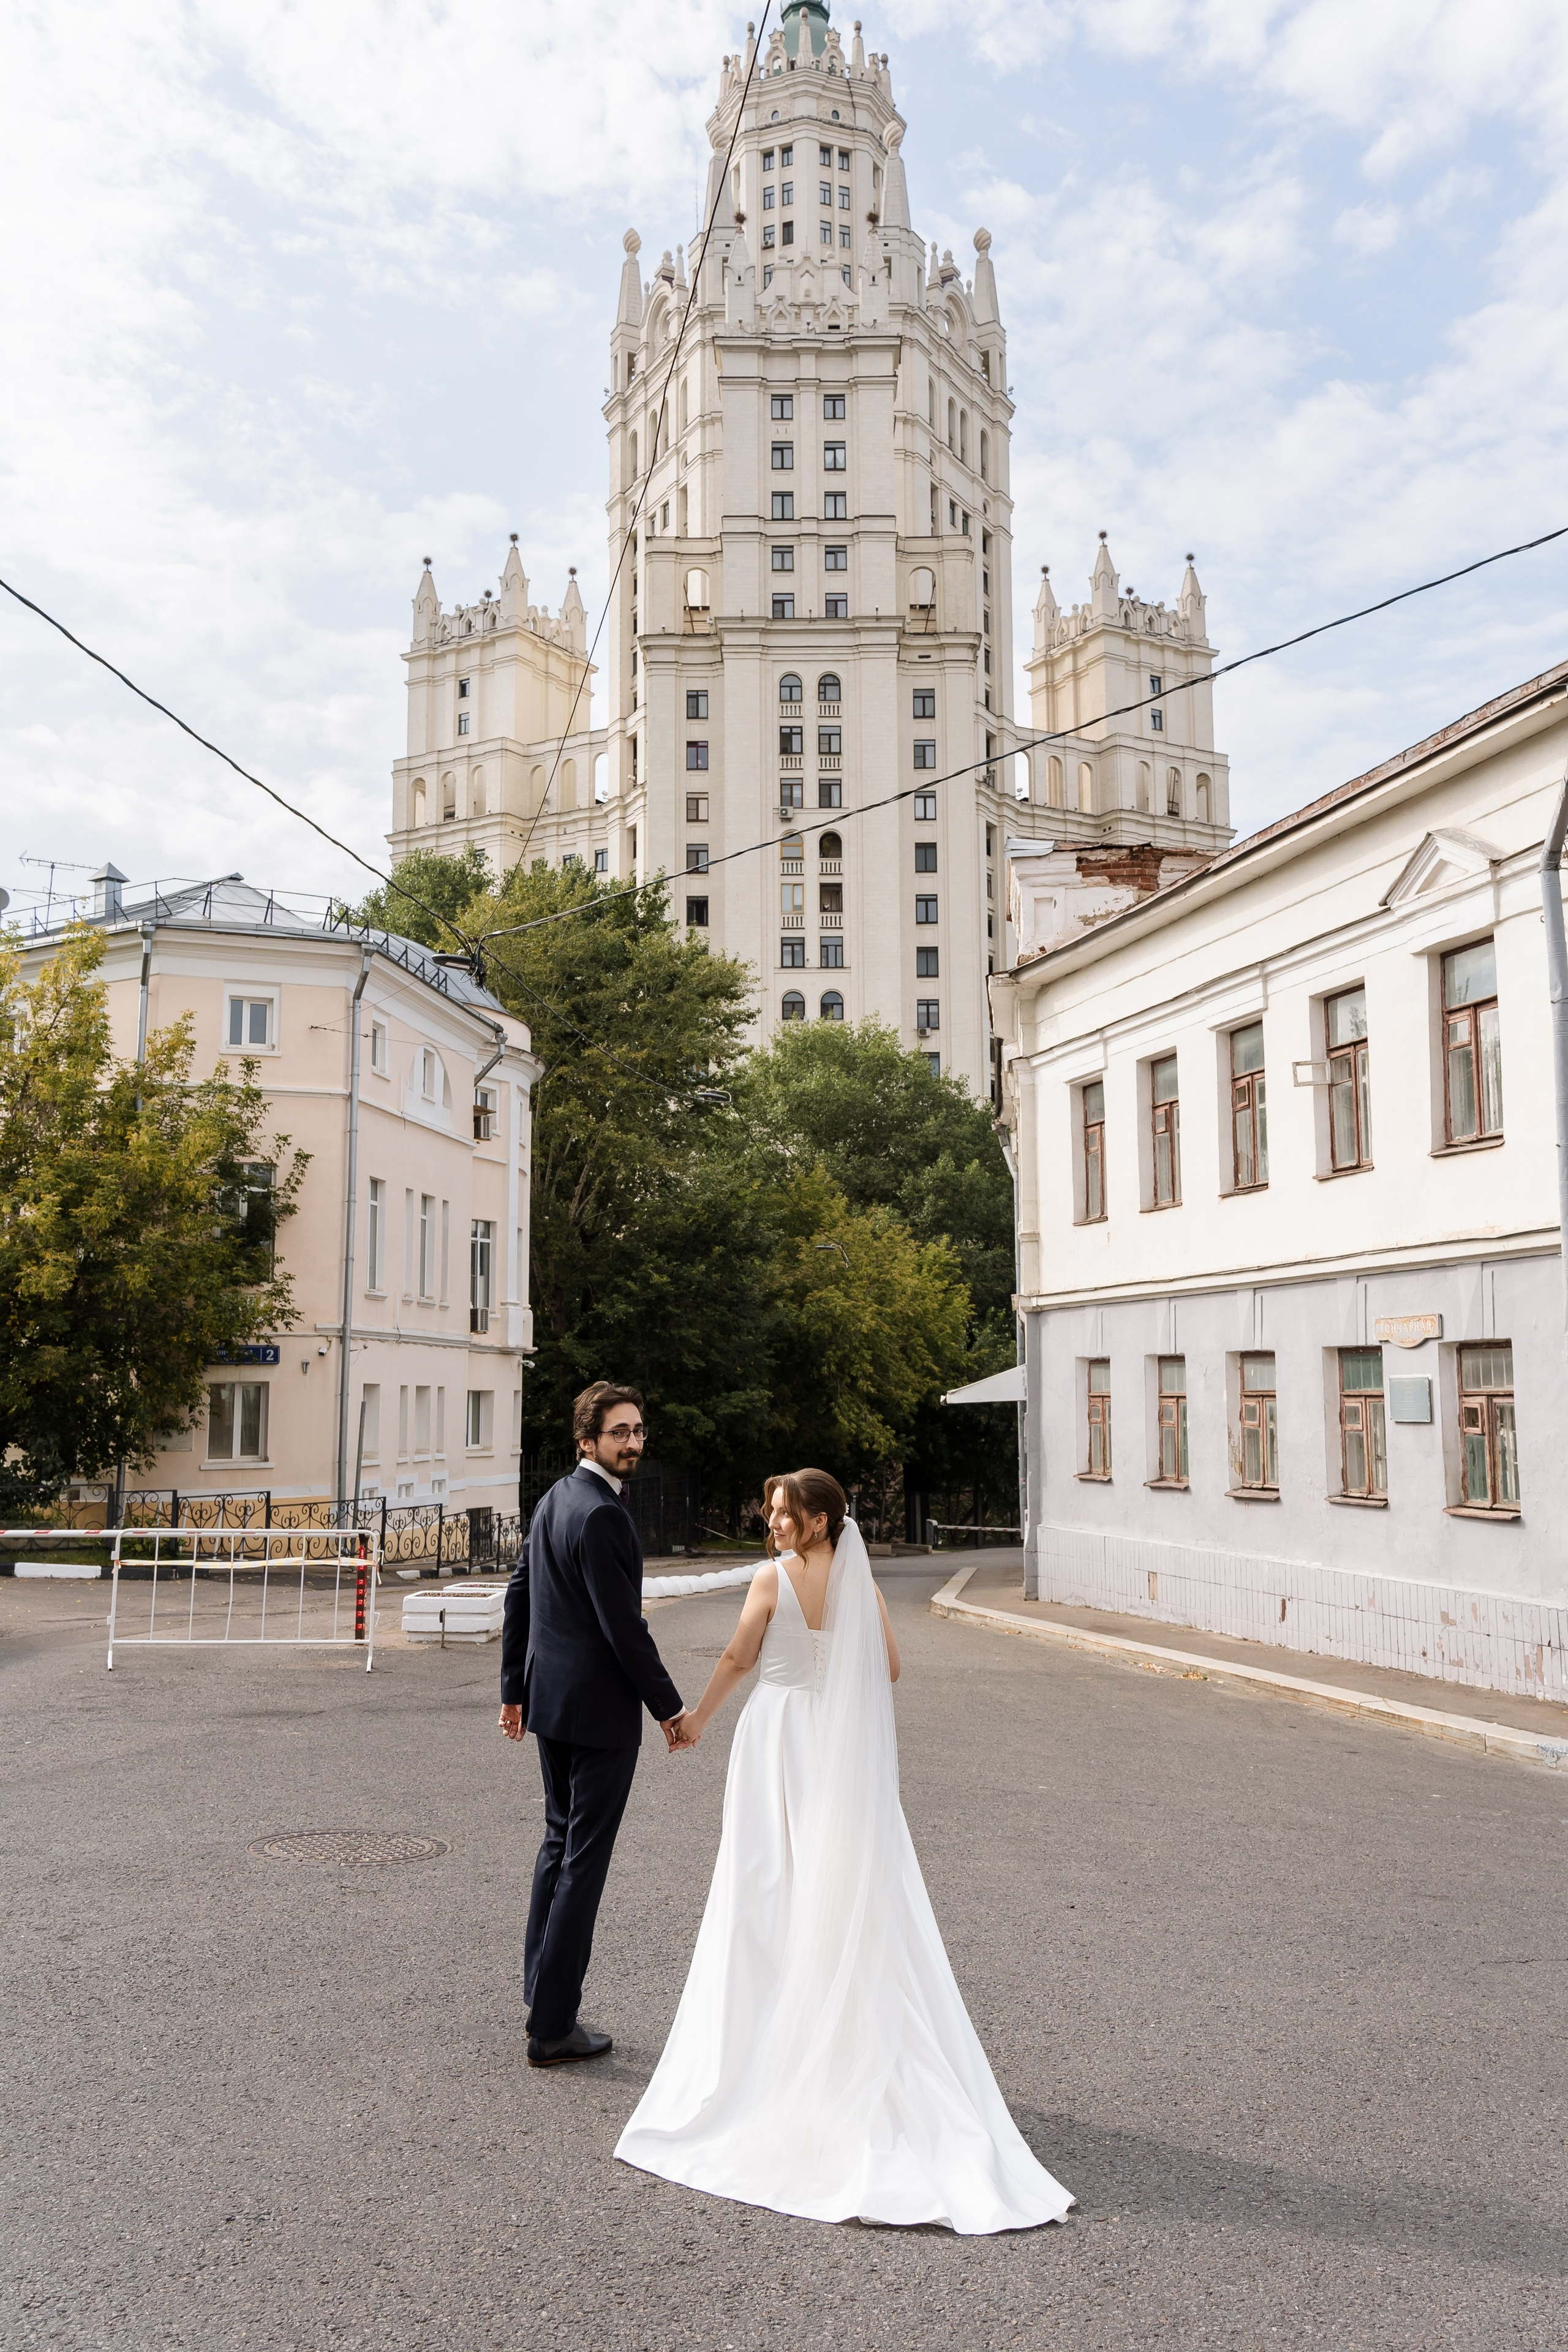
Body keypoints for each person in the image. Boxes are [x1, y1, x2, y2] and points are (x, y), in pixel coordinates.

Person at [615, 1468, 1074, 2234]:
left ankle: (768, 2051)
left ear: (822, 1521)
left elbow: (737, 1659)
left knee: (764, 1892)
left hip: (777, 1742)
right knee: (842, 1889)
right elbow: (888, 1669)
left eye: (785, 1514)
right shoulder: (859, 1586)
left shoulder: (772, 1581)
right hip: (838, 1748)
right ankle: (838, 2039)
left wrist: (695, 1719)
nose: (773, 1525)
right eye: (771, 1513)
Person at [499, 1382, 696, 2068]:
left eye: (639, 1431)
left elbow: (521, 1590)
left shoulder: (557, 1497)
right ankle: (552, 2026)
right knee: (582, 1862)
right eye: (620, 1433)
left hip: (552, 1705)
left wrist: (513, 1690)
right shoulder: (601, 1515)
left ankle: (541, 1994)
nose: (634, 1442)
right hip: (598, 1716)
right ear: (587, 1441)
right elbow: (624, 1630)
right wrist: (670, 1707)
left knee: (557, 1846)